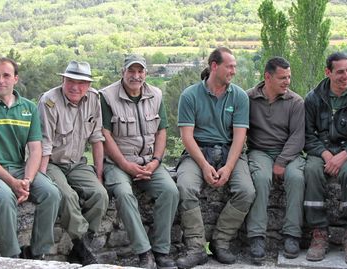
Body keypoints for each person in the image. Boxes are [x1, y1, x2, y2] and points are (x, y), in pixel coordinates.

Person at [0, 57, 61, 259]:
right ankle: (13, 258)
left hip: (18, 168)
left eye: (6, 75)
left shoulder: (28, 108)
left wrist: (27, 180)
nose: (1, 80)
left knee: (51, 193)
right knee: (3, 196)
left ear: (15, 79)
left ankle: (37, 254)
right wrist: (12, 182)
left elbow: (36, 150)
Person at [176, 47, 256, 268]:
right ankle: (196, 248)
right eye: (229, 66)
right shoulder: (190, 95)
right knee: (185, 186)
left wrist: (228, 168)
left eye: (235, 66)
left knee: (246, 190)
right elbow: (187, 137)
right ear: (214, 66)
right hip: (197, 152)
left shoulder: (239, 96)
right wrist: (203, 165)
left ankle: (221, 242)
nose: (233, 71)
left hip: (230, 151)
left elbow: (240, 137)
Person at [100, 54, 179, 269]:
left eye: (140, 71)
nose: (136, 76)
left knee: (170, 191)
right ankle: (144, 252)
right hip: (118, 163)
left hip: (148, 162)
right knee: (124, 194)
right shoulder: (106, 96)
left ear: (146, 73)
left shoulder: (156, 94)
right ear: (123, 72)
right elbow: (104, 135)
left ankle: (162, 251)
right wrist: (126, 165)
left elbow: (162, 131)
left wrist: (155, 161)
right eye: (131, 71)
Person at [38, 61, 109, 265]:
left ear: (88, 85)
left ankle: (82, 245)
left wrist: (99, 174)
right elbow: (44, 144)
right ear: (63, 80)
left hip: (77, 162)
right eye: (70, 81)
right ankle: (81, 247)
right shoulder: (49, 101)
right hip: (51, 162)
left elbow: (97, 139)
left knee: (100, 194)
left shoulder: (94, 99)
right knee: (67, 196)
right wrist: (41, 178)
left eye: (81, 82)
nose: (75, 87)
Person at [304, 52, 347, 265]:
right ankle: (319, 233)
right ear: (328, 72)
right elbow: (307, 135)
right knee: (311, 170)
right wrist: (325, 154)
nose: (346, 76)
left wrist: (345, 155)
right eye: (340, 71)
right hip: (321, 152)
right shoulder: (313, 98)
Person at [245, 57, 305, 264]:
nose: (287, 81)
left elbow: (298, 136)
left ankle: (292, 235)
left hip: (289, 152)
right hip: (259, 151)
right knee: (260, 179)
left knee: (296, 178)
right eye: (282, 77)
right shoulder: (248, 98)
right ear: (267, 77)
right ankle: (256, 237)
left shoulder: (296, 102)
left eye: (289, 77)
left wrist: (281, 161)